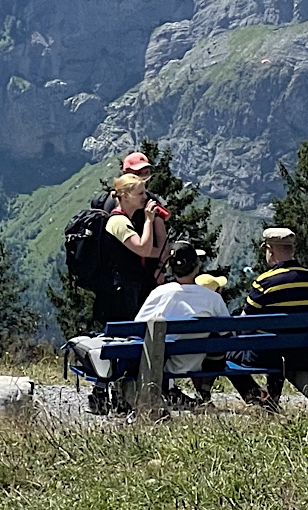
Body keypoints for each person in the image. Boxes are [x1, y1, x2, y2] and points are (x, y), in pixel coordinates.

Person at [228, 227, 308, 410]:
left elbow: (244, 322)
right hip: (301, 354)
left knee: (227, 353)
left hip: (268, 356)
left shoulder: (265, 282)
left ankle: (257, 397)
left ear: (270, 250)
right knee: (279, 344)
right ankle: (271, 399)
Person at [136, 241, 230, 403]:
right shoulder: (213, 298)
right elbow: (227, 334)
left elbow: (137, 328)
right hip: (198, 363)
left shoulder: (160, 293)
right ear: (197, 266)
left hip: (163, 363)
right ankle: (203, 391)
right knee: (216, 341)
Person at [93, 173, 165, 329]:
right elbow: (143, 249)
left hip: (129, 288)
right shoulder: (118, 221)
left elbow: (147, 250)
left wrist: (162, 252)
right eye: (140, 193)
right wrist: (148, 220)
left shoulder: (127, 219)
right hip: (120, 293)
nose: (145, 197)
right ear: (125, 196)